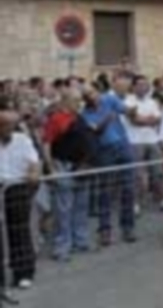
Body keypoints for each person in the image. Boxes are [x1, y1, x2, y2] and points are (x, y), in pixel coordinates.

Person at [81, 81, 138, 246]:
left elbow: (126, 111)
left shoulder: (109, 99)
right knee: (105, 191)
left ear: (97, 91)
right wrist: (107, 119)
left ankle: (128, 227)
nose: (92, 97)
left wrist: (132, 111)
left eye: (93, 93)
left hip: (123, 146)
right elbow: (95, 130)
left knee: (128, 188)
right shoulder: (85, 113)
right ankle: (104, 230)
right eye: (87, 95)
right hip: (105, 151)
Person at [43, 89, 95, 262]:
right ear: (65, 101)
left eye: (80, 100)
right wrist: (51, 168)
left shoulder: (79, 118)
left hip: (82, 166)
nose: (79, 103)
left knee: (81, 206)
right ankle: (62, 246)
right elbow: (47, 143)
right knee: (63, 209)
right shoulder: (55, 119)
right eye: (75, 100)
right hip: (64, 166)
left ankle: (80, 241)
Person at [0, 108, 40, 289]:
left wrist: (33, 173)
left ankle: (23, 273)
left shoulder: (22, 140)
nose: (7, 128)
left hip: (17, 188)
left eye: (10, 124)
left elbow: (34, 162)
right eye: (3, 125)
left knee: (19, 231)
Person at [124, 75, 163, 209]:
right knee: (137, 175)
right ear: (134, 86)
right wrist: (149, 120)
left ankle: (160, 199)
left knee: (158, 171)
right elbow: (134, 120)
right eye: (140, 84)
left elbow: (158, 119)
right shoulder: (128, 101)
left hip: (152, 139)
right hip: (135, 141)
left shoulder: (152, 102)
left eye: (145, 84)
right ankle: (136, 202)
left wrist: (144, 120)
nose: (143, 87)